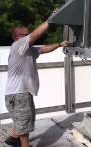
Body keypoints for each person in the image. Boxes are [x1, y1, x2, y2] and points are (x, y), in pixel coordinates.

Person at [4, 19, 68, 147]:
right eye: (24, 35)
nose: (27, 36)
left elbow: (44, 49)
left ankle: (13, 137)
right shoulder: (18, 46)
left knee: (23, 118)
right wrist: (51, 19)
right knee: (25, 123)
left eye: (28, 34)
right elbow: (36, 35)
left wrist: (60, 44)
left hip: (20, 93)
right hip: (19, 94)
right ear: (16, 37)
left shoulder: (29, 50)